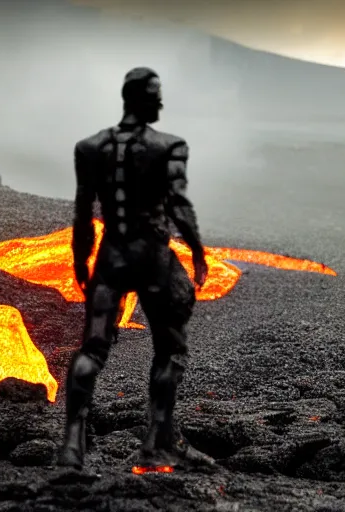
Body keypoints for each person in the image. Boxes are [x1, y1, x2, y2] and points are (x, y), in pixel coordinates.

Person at [57, 67, 213, 470]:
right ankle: (159, 441)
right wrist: (196, 250)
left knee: (93, 347)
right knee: (170, 348)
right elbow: (178, 205)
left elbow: (83, 210)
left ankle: (72, 447)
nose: (160, 102)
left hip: (111, 256)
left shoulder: (89, 147)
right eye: (155, 95)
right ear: (138, 98)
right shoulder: (169, 145)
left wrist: (80, 258)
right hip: (153, 257)